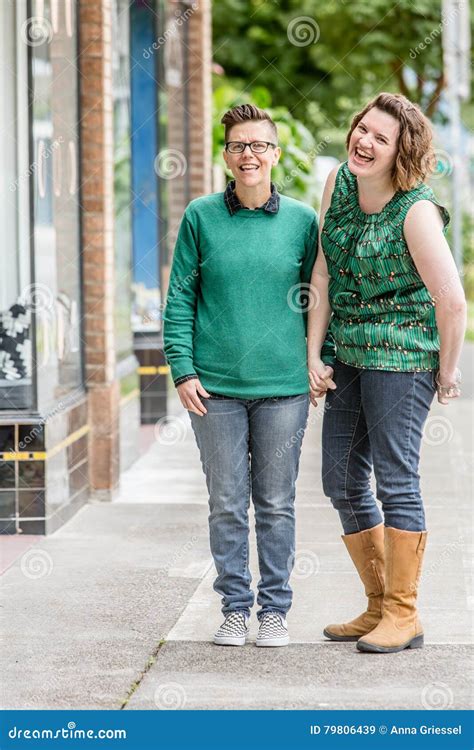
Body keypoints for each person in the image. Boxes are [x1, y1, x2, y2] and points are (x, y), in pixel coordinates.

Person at [164, 104, 334, 647]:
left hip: (284, 387)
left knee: (277, 503)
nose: (249, 155)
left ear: (276, 154)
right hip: (213, 389)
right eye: (239, 146)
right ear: (226, 156)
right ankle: (236, 607)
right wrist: (182, 369)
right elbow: (179, 299)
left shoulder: (304, 222)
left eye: (259, 145)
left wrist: (318, 358)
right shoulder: (201, 216)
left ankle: (274, 610)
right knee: (227, 503)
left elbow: (321, 299)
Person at [307, 92, 466, 654]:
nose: (364, 141)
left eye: (380, 137)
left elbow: (452, 301)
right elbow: (323, 273)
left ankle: (405, 612)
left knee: (396, 479)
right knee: (340, 479)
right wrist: (313, 353)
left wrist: (447, 373)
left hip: (402, 356)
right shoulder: (338, 185)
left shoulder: (416, 211)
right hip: (347, 353)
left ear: (401, 152)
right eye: (361, 129)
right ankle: (377, 605)